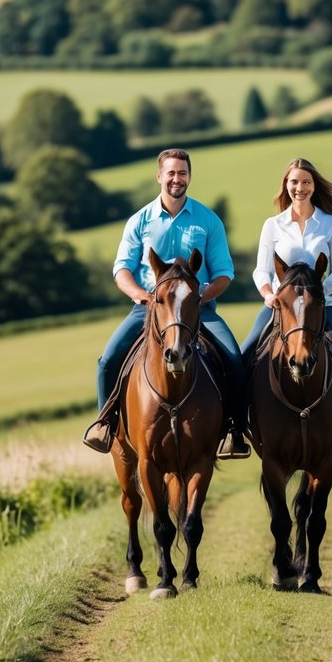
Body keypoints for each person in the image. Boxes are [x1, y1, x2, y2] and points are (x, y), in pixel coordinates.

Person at [83, 147, 251, 458]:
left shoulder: (208, 221)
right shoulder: (139, 221)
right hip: (149, 308)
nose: (177, 179)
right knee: (107, 361)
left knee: (234, 360)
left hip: (197, 308)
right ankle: (105, 424)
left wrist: (202, 296)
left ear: (190, 177)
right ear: (160, 176)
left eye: (183, 173)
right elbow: (121, 270)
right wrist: (141, 295)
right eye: (171, 173)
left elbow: (224, 273)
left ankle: (234, 430)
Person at [243, 156, 332, 453]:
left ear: (313, 185)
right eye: (294, 182)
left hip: (322, 306)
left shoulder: (330, 224)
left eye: (306, 182)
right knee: (242, 355)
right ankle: (234, 426)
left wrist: (320, 291)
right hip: (280, 306)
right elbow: (260, 270)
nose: (300, 187)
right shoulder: (273, 225)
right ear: (286, 185)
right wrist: (269, 294)